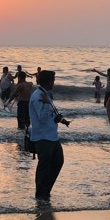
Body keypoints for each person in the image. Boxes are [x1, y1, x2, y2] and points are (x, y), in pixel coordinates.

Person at [29, 69, 70, 203]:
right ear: (48, 82)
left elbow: (50, 116)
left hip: (52, 135)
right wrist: (46, 104)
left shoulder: (46, 94)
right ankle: (40, 195)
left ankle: (46, 190)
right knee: (44, 166)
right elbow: (41, 118)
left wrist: (59, 119)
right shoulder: (38, 96)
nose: (54, 82)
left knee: (58, 161)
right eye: (53, 80)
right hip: (43, 137)